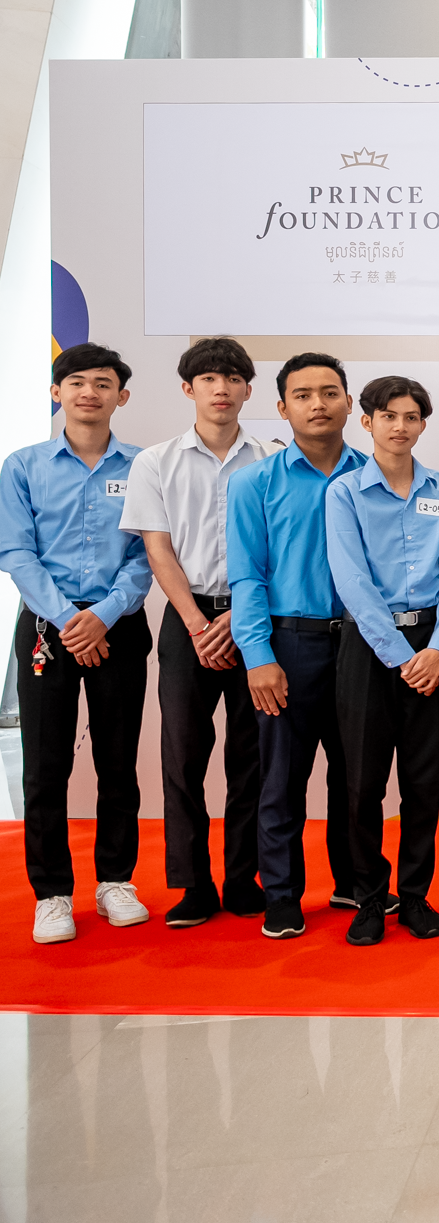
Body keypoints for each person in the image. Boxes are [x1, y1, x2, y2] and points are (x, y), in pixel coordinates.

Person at [119, 337, 277, 928]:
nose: (221, 388)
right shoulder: (155, 461)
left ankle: (242, 877)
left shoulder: (271, 458)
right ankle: (192, 884)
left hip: (255, 617)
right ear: (188, 389)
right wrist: (195, 622)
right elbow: (157, 549)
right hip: (187, 618)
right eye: (208, 378)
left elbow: (279, 548)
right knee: (182, 755)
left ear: (247, 390)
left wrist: (239, 617)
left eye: (233, 378)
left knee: (253, 755)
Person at [2, 344, 153, 944]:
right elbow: (16, 552)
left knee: (119, 761)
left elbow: (149, 552)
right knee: (45, 765)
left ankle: (116, 880)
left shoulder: (144, 467)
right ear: (56, 392)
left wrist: (107, 614)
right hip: (47, 627)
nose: (90, 392)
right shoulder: (23, 466)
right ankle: (52, 894)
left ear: (123, 395)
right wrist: (70, 619)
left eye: (104, 383)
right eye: (77, 382)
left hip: (120, 627)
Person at [227, 351, 366, 940]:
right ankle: (282, 895)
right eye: (304, 395)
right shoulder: (254, 482)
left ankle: (354, 882)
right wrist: (258, 656)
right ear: (281, 408)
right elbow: (246, 576)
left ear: (349, 404)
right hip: (289, 643)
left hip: (361, 645)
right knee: (282, 778)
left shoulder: (373, 475)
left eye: (330, 392)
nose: (318, 404)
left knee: (356, 775)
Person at [324, 376, 439, 946]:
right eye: (388, 416)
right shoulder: (345, 492)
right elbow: (351, 578)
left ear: (424, 424)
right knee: (362, 784)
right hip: (369, 647)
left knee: (422, 781)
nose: (399, 426)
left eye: (411, 416)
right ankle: (368, 897)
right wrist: (402, 656)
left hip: (430, 642)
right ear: (367, 422)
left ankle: (414, 897)